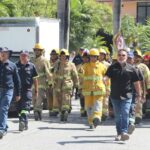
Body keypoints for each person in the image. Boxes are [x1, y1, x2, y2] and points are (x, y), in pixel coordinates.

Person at [105, 49, 142, 141]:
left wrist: (139, 94)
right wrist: (104, 79)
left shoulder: (132, 68)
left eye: (123, 55)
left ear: (126, 57)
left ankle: (124, 132)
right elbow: (107, 76)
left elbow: (136, 83)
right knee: (118, 116)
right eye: (119, 55)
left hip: (127, 95)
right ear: (117, 56)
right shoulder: (112, 67)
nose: (121, 57)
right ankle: (118, 133)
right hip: (115, 96)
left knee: (125, 113)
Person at [81, 48, 108, 129]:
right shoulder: (85, 66)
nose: (93, 58)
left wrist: (108, 88)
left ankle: (97, 118)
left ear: (97, 57)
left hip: (98, 90)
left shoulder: (103, 67)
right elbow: (81, 74)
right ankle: (91, 122)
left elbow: (107, 79)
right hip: (88, 90)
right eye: (91, 56)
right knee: (88, 107)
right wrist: (80, 71)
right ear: (89, 57)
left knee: (98, 105)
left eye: (94, 56)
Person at [52, 49, 79, 121]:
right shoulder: (57, 64)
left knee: (66, 98)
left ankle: (65, 110)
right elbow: (53, 73)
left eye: (64, 56)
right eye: (61, 56)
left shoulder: (71, 65)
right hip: (58, 85)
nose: (63, 57)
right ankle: (62, 112)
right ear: (60, 56)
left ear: (67, 56)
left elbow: (75, 75)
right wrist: (52, 82)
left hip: (67, 85)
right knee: (59, 99)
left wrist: (77, 85)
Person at [0, 47, 21, 139]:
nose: (3, 54)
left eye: (5, 52)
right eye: (2, 52)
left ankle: (1, 129)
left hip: (8, 90)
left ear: (8, 54)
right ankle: (5, 126)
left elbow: (17, 81)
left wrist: (18, 94)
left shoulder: (12, 65)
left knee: (3, 109)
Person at [16, 50, 38, 131]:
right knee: (18, 108)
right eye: (22, 55)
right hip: (17, 91)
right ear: (20, 56)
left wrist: (36, 90)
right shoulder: (15, 66)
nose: (23, 57)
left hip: (27, 90)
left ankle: (22, 121)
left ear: (28, 57)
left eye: (25, 55)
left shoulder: (32, 66)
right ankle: (24, 122)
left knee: (25, 107)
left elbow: (35, 80)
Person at [32, 43, 52, 121]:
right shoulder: (32, 60)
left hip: (41, 83)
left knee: (39, 98)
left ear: (41, 51)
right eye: (35, 50)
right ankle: (38, 111)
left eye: (38, 50)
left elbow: (48, 73)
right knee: (34, 99)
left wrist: (50, 82)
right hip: (33, 84)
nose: (36, 51)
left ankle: (37, 111)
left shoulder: (44, 60)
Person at [134, 49, 150, 124]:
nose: (135, 58)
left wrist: (148, 87)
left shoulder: (143, 67)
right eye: (134, 56)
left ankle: (138, 117)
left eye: (137, 56)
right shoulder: (128, 65)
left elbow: (147, 77)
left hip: (140, 88)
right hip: (129, 88)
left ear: (140, 58)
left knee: (138, 102)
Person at [77, 49, 90, 117]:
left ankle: (88, 110)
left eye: (87, 57)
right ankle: (83, 110)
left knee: (88, 98)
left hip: (89, 86)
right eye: (84, 57)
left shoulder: (91, 66)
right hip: (82, 85)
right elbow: (77, 76)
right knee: (82, 98)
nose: (85, 59)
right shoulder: (80, 66)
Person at [48, 49, 60, 117]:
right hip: (48, 82)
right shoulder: (48, 62)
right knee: (49, 96)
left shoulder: (59, 63)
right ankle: (50, 109)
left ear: (57, 55)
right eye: (52, 54)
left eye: (54, 54)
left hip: (56, 82)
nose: (53, 56)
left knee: (55, 96)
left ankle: (55, 110)